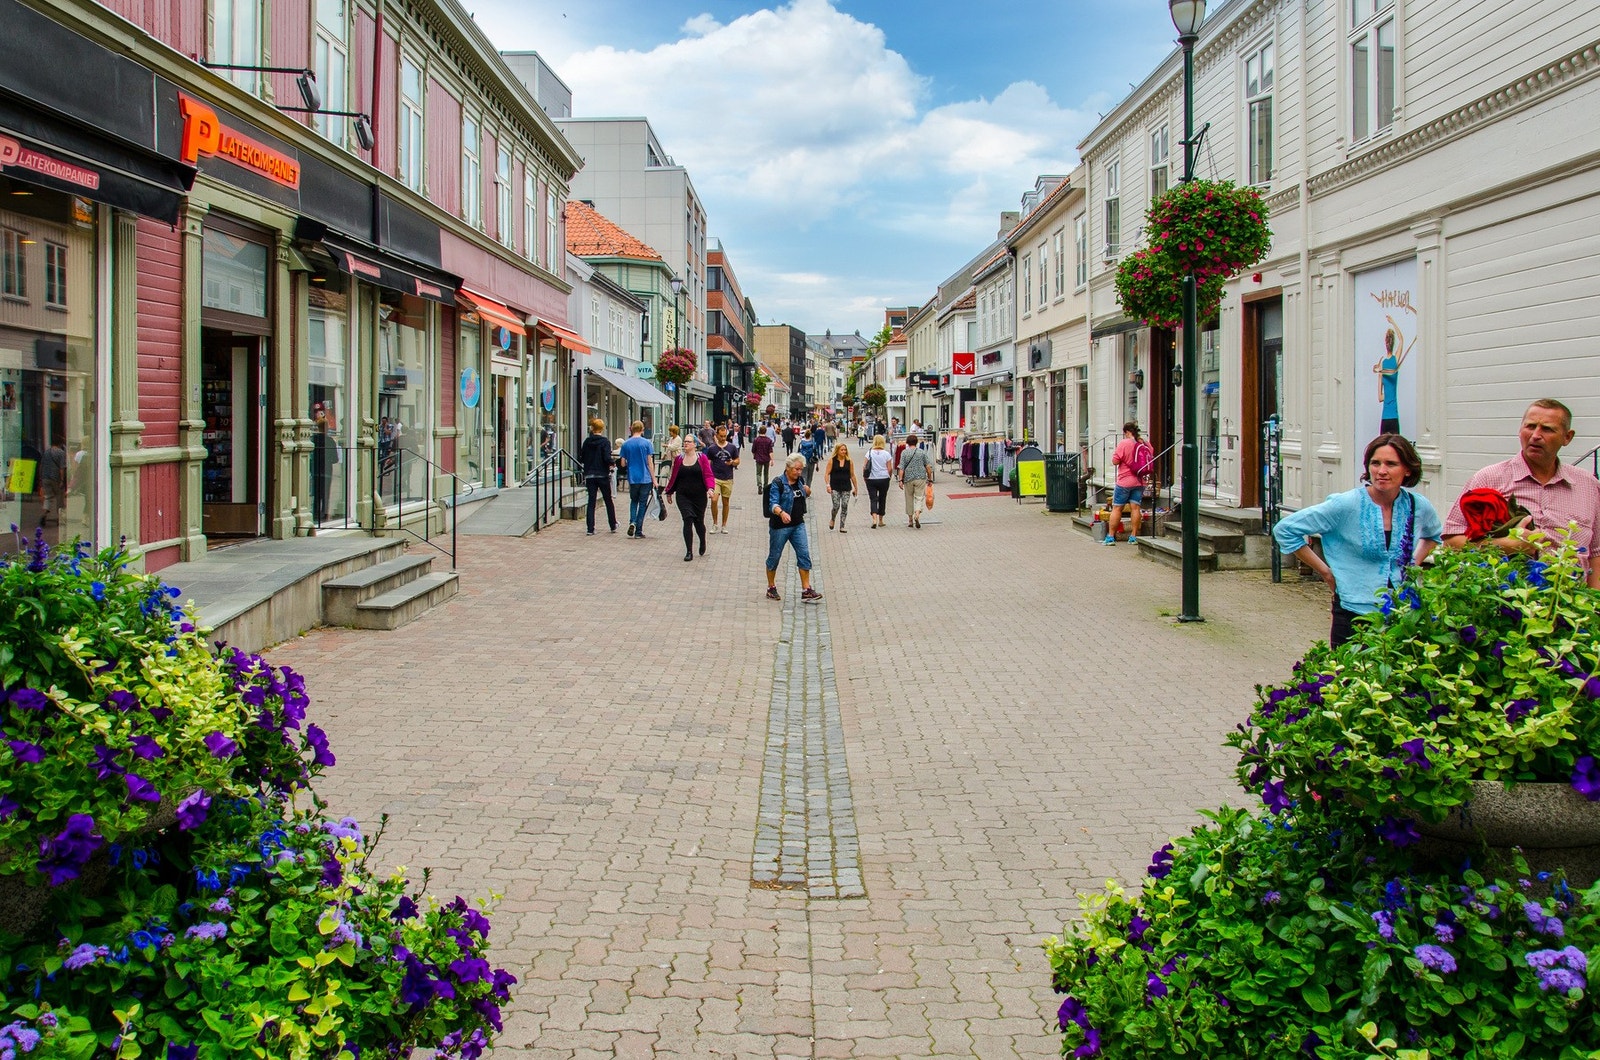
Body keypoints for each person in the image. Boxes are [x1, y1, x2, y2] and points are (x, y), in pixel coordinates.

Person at [1272, 433, 1443, 647]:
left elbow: (1433, 535)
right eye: (1375, 463)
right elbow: (1286, 530)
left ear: (1407, 469)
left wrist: (1412, 564)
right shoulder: (1346, 504)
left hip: (1403, 612)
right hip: (1355, 611)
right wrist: (1326, 572)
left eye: (1391, 464)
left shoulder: (1417, 506)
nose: (1381, 471)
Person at [1441, 398, 1600, 589]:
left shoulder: (1588, 486)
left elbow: (1596, 553)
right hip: (1506, 606)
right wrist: (1506, 546)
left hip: (1570, 606)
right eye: (1530, 426)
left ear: (1567, 437)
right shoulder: (1489, 479)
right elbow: (1451, 542)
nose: (1535, 435)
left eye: (1547, 429)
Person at [765, 453, 822, 603]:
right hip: (780, 527)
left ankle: (806, 589)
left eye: (800, 469)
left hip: (798, 524)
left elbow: (803, 494)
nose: (799, 472)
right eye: (796, 469)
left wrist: (807, 491)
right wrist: (781, 512)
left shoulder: (800, 481)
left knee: (804, 554)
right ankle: (771, 587)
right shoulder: (778, 483)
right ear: (788, 468)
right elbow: (773, 504)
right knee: (774, 557)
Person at [664, 434, 714, 561]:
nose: (685, 444)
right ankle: (689, 551)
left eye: (688, 442)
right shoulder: (679, 459)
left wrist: (710, 488)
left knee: (699, 523)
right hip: (683, 495)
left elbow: (708, 474)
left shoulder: (701, 458)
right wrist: (669, 491)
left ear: (694, 444)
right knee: (687, 519)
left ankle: (702, 540)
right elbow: (674, 476)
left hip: (699, 495)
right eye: (685, 441)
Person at [1106, 421, 1148, 546]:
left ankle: (1111, 537)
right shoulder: (1143, 443)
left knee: (1117, 508)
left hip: (1124, 481)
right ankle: (1134, 536)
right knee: (1135, 508)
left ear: (1127, 432)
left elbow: (1115, 461)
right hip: (1139, 481)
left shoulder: (1124, 443)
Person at [579, 418, 617, 535]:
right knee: (608, 500)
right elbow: (606, 457)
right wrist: (612, 462)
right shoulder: (605, 442)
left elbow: (582, 457)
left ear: (592, 428)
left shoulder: (587, 442)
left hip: (590, 474)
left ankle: (590, 528)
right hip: (602, 474)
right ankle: (612, 524)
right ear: (602, 428)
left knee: (591, 501)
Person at [619, 420, 656, 539]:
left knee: (634, 501)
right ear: (642, 430)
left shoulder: (625, 444)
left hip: (633, 477)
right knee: (642, 503)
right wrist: (654, 479)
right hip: (645, 477)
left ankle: (632, 521)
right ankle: (639, 530)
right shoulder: (647, 443)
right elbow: (650, 462)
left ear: (631, 429)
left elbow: (623, 463)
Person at [705, 425, 741, 533]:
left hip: (728, 478)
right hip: (715, 477)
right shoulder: (712, 448)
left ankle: (724, 525)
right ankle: (715, 523)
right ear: (716, 435)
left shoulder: (732, 447)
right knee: (714, 500)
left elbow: (737, 460)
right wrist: (706, 475)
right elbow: (708, 462)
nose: (723, 438)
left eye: (725, 436)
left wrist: (733, 463)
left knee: (726, 502)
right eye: (721, 436)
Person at [897, 432, 934, 529]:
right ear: (917, 442)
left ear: (907, 443)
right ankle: (917, 514)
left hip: (908, 478)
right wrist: (930, 478)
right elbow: (928, 467)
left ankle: (910, 520)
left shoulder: (904, 453)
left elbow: (901, 468)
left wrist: (900, 480)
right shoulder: (922, 452)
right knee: (919, 497)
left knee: (909, 498)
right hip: (920, 478)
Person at [825, 441, 859, 532]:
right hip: (835, 487)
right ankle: (833, 518)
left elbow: (852, 475)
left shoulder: (849, 461)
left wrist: (856, 488)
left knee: (844, 505)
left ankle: (842, 526)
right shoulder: (832, 460)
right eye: (842, 450)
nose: (844, 452)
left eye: (845, 450)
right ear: (837, 450)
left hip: (846, 487)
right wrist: (828, 485)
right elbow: (827, 474)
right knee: (836, 505)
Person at [864, 434, 894, 529]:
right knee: (882, 498)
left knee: (873, 499)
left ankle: (874, 519)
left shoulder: (869, 453)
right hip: (884, 478)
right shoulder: (886, 454)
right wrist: (889, 477)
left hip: (871, 479)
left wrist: (865, 477)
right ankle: (881, 520)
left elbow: (865, 467)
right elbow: (890, 468)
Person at [752, 425, 775, 498]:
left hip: (758, 458)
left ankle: (759, 485)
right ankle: (765, 487)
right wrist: (772, 460)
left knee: (758, 473)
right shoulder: (769, 440)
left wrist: (754, 455)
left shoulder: (756, 440)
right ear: (765, 431)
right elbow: (770, 451)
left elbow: (753, 450)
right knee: (766, 473)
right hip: (766, 459)